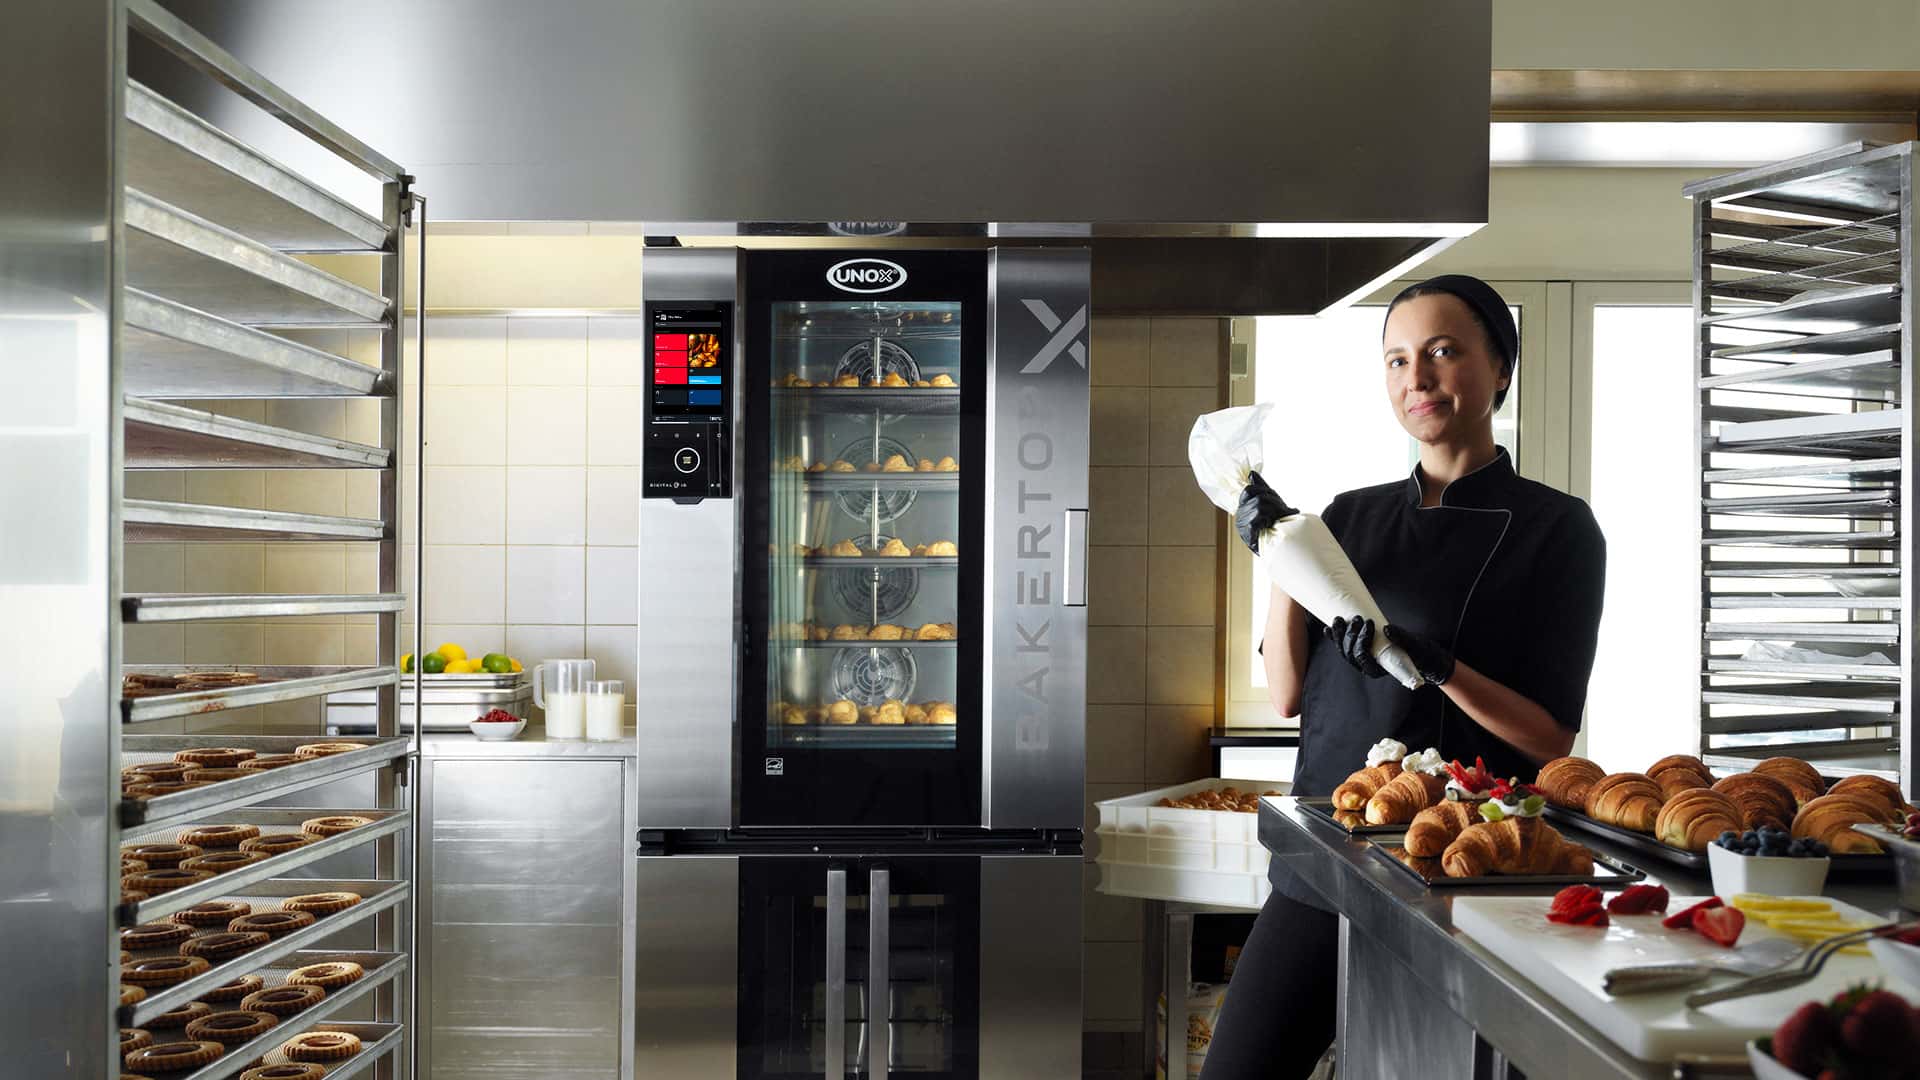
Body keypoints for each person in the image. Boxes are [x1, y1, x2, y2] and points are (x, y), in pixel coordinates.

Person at [1201, 274, 1606, 1078]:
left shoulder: (1557, 528)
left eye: (1443, 352)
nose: (1415, 379)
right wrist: (1278, 551)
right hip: (1325, 860)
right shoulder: (1347, 516)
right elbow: (1287, 693)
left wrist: (1444, 667)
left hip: (1463, 875)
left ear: (1501, 368)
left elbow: (1551, 733)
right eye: (1396, 360)